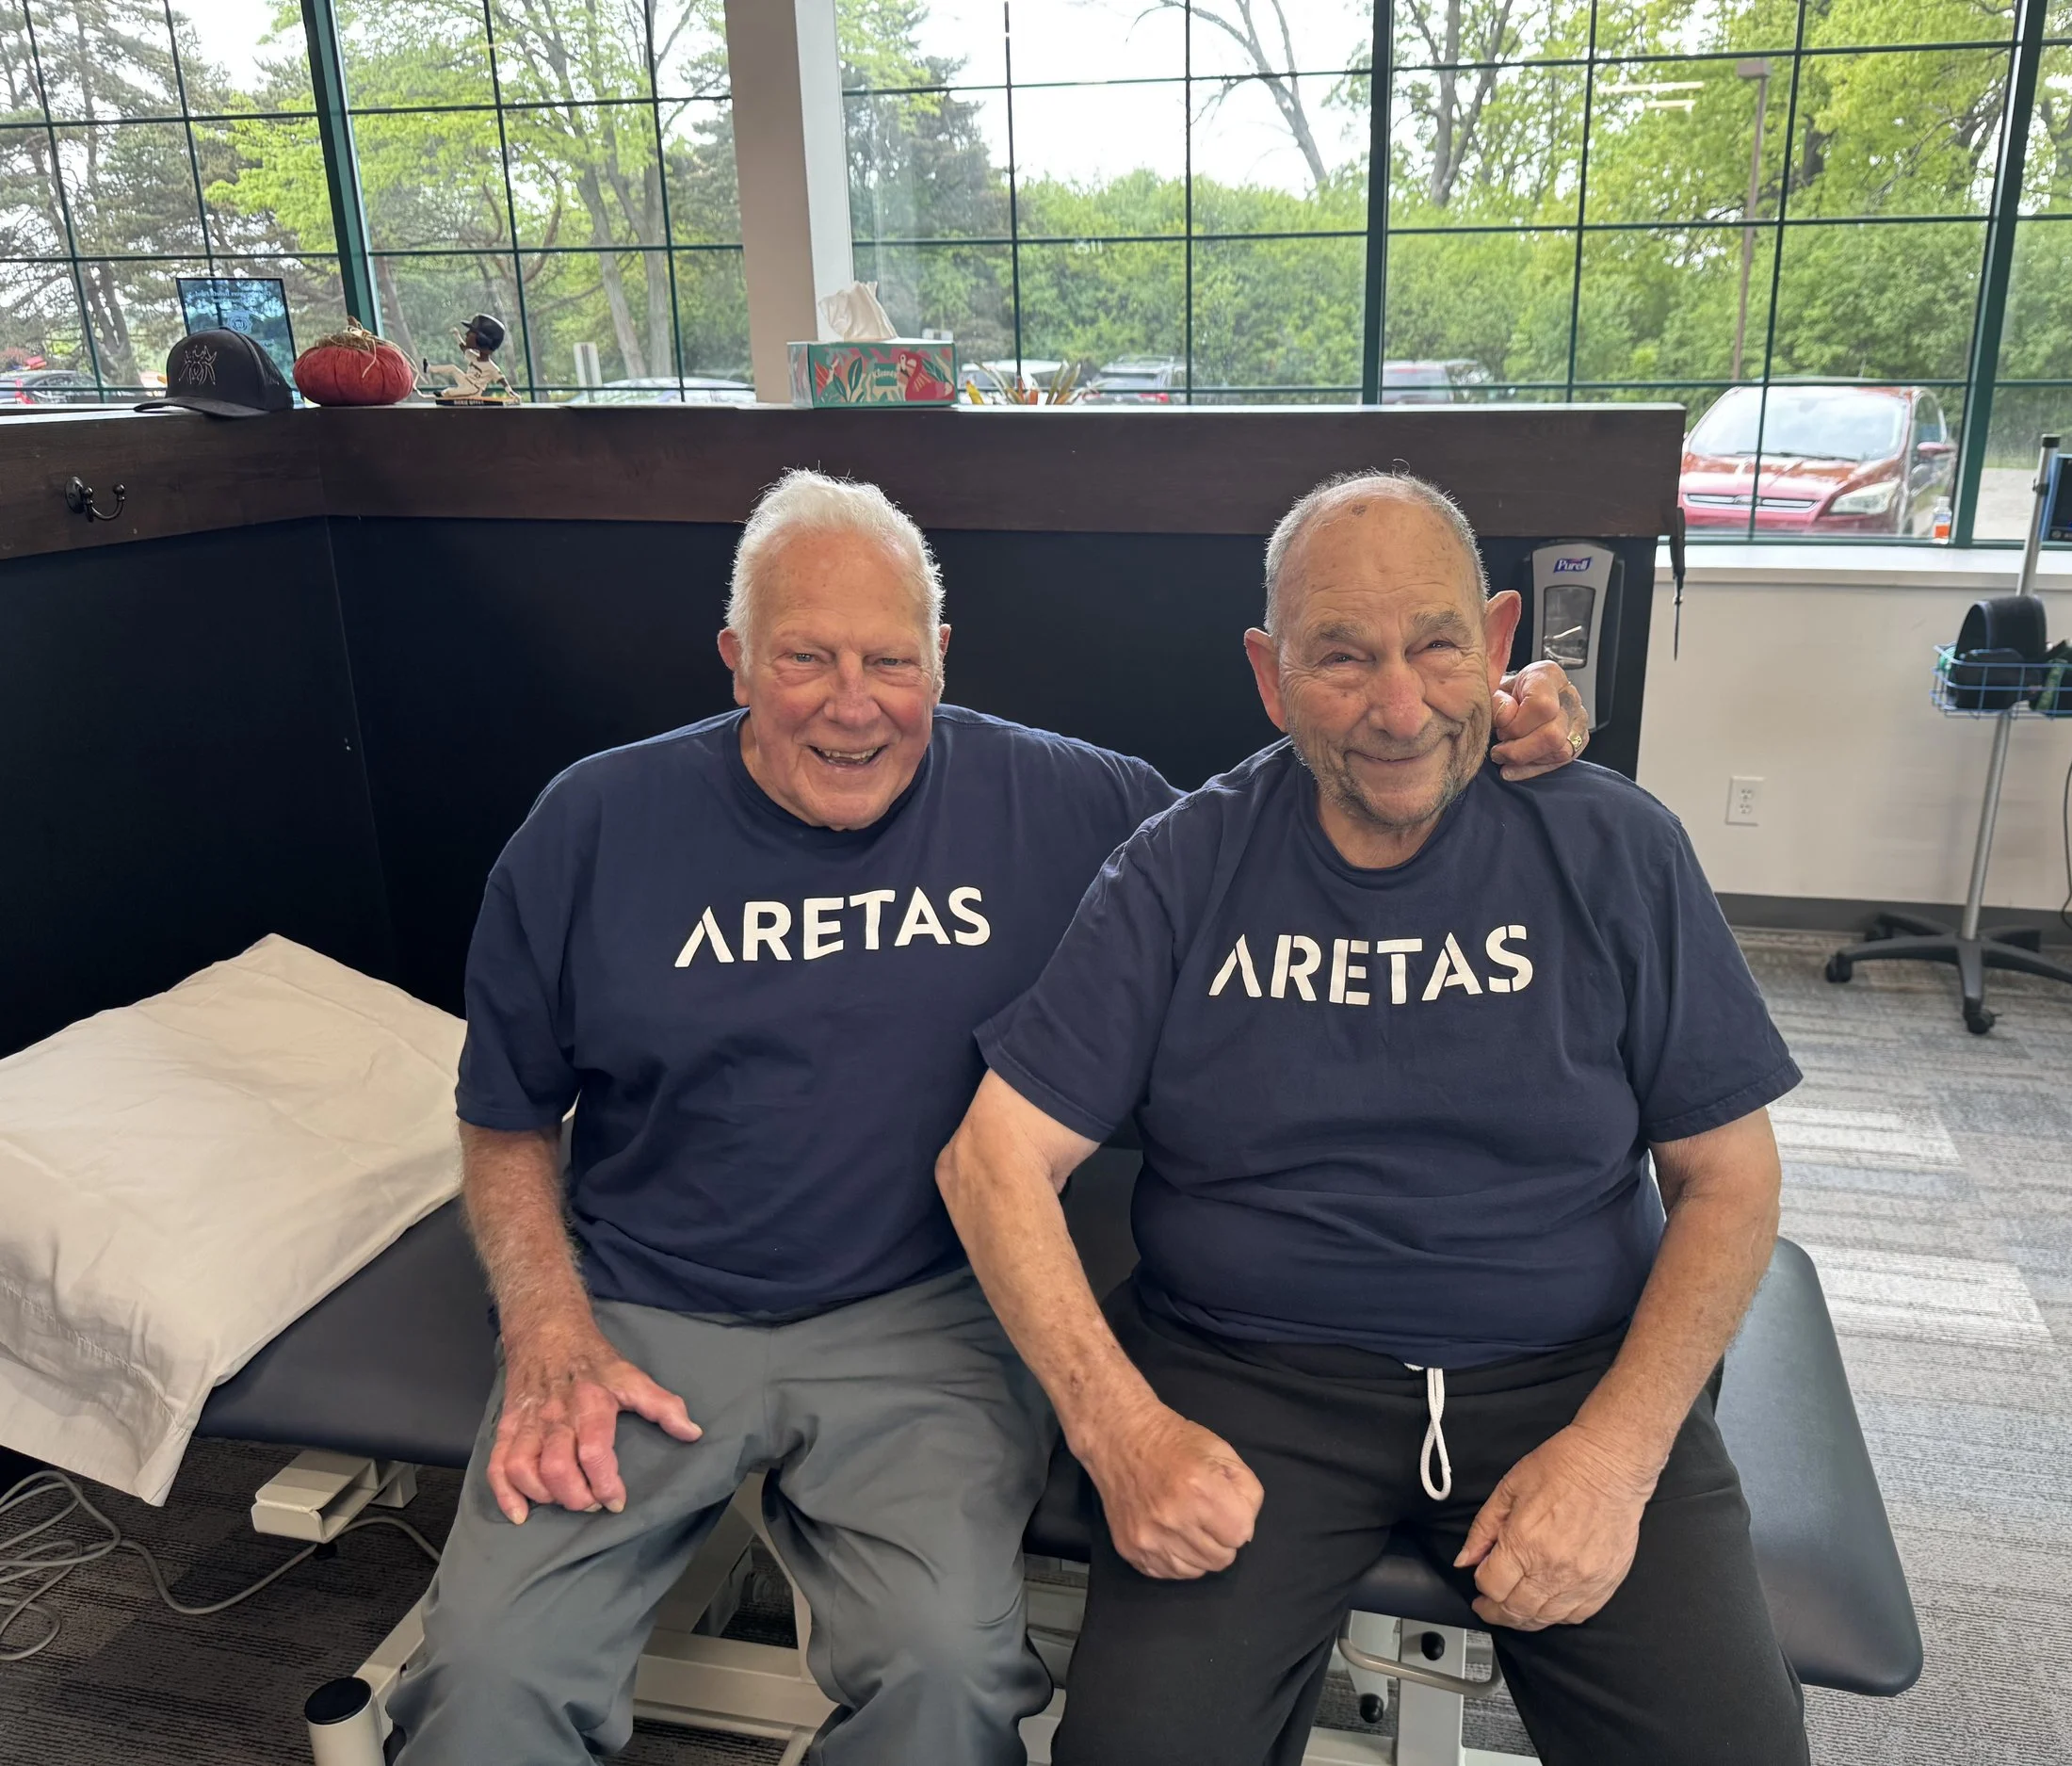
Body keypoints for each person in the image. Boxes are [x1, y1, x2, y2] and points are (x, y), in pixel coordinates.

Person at [383, 469, 1588, 1766]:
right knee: (483, 1686)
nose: (854, 703)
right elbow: (506, 1118)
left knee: (952, 1677)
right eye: (807, 658)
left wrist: (1487, 726)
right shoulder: (590, 826)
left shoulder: (1076, 805)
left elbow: (1300, 826)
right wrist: (551, 1323)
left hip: (929, 1315)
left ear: (943, 659)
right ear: (737, 659)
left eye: (891, 660)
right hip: (637, 1307)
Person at [936, 470, 1807, 1766]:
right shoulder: (1185, 866)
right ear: (1269, 675)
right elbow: (990, 1160)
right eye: (1340, 658)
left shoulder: (1616, 847)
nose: (1400, 709)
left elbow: (1729, 1179)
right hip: (1249, 1378)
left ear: (1502, 642)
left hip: (1573, 1373)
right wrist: (1118, 1431)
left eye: (1437, 646)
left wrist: (1620, 1458)